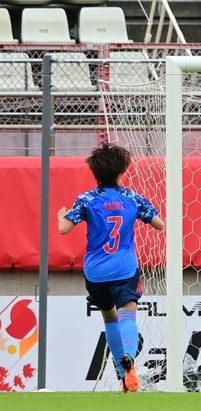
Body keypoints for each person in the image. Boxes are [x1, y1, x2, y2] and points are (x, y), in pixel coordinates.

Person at [57, 144, 165, 393]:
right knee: (128, 313)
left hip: (95, 271)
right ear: (121, 172)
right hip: (124, 269)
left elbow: (63, 228)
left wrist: (61, 215)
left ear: (95, 173)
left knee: (109, 318)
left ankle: (121, 374)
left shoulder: (87, 199)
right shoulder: (132, 198)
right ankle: (129, 358)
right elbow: (159, 225)